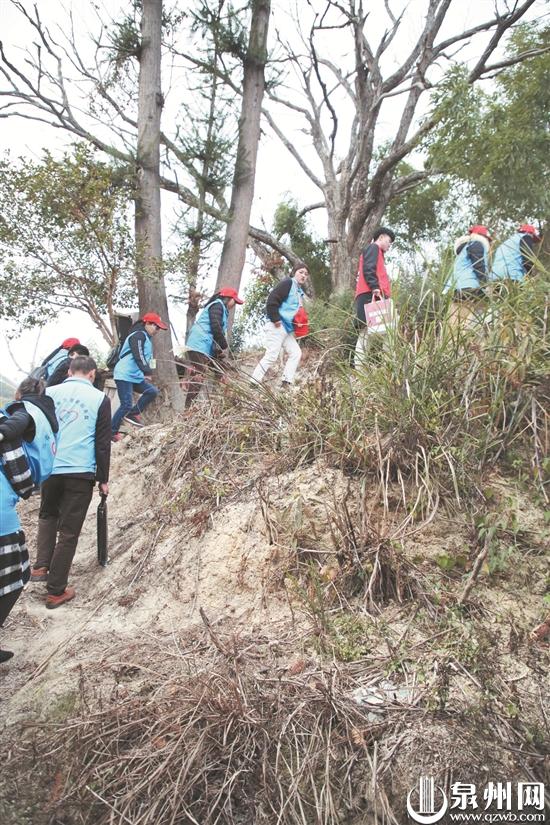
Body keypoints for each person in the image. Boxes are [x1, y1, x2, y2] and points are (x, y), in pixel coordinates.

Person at [30, 356, 111, 609]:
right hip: (79, 471)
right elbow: (102, 443)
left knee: (47, 515)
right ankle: (55, 591)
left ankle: (41, 566)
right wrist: (103, 478)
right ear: (92, 374)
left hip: (51, 468)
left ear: (69, 371)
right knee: (68, 531)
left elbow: (38, 429)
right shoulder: (100, 399)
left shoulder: (49, 392)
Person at [0, 377, 58, 660]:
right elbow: (15, 426)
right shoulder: (39, 413)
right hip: (3, 523)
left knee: (18, 572)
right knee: (18, 573)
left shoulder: (25, 410)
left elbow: (16, 423)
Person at [110, 312, 168, 441]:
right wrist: (147, 372)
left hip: (135, 376)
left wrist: (146, 372)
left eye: (159, 328)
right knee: (125, 404)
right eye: (156, 327)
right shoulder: (138, 335)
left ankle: (133, 413)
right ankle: (112, 432)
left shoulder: (147, 338)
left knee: (151, 391)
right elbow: (138, 355)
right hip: (124, 374)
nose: (158, 330)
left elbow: (146, 358)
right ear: (147, 323)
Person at [183, 287, 243, 408]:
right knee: (200, 374)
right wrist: (224, 345)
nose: (234, 305)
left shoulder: (221, 309)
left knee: (220, 371)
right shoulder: (218, 306)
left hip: (205, 345)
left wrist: (218, 350)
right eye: (234, 301)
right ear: (228, 299)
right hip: (198, 343)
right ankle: (187, 408)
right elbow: (216, 327)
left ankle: (228, 401)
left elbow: (215, 331)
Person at [251, 263, 309, 387]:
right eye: (301, 272)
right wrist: (275, 319)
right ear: (294, 272)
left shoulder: (299, 292)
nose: (303, 275)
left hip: (286, 329)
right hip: (276, 325)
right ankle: (253, 382)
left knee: (296, 353)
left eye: (306, 274)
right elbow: (272, 299)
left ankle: (286, 382)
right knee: (272, 355)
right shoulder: (287, 283)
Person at [354, 227, 396, 365]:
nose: (390, 245)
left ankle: (369, 367)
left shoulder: (377, 252)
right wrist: (375, 287)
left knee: (374, 333)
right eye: (389, 241)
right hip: (370, 295)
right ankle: (387, 364)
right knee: (372, 332)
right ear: (382, 237)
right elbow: (368, 268)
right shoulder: (373, 248)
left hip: (371, 295)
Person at [444, 225, 492, 299]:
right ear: (483, 237)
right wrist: (486, 284)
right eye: (488, 240)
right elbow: (478, 265)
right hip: (469, 287)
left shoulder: (463, 249)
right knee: (479, 307)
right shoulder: (477, 244)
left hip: (454, 289)